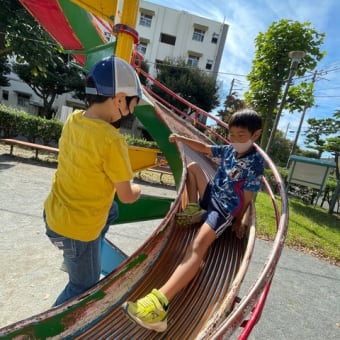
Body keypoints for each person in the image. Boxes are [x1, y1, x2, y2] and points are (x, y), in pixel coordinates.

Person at [122, 109, 264, 332]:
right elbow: (206, 149)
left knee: (198, 246)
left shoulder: (255, 163)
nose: (234, 140)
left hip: (224, 209)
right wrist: (180, 138)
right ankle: (195, 208)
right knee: (193, 168)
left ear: (255, 135)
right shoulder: (228, 150)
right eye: (232, 134)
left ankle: (159, 305)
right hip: (211, 195)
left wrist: (238, 221)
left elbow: (247, 196)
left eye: (241, 135)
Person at [44, 55, 143, 306]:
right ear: (120, 99)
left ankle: (76, 257)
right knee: (82, 286)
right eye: (133, 103)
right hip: (76, 232)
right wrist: (137, 188)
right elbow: (127, 195)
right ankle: (45, 328)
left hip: (53, 216)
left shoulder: (74, 119)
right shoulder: (112, 141)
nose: (132, 110)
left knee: (111, 210)